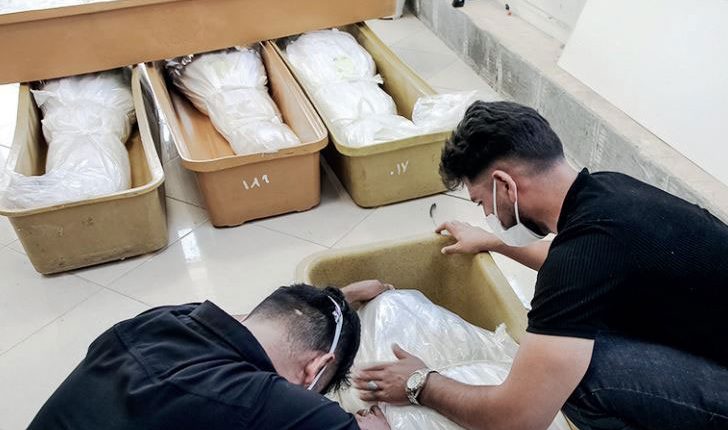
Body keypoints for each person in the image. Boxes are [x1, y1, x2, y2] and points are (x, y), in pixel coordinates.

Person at [353, 101, 728, 430]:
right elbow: (588, 264)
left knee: (577, 378)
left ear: (505, 185)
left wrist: (420, 384)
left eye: (482, 202)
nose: (487, 215)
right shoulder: (608, 190)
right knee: (588, 327)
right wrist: (497, 243)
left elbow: (517, 418)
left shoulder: (579, 259)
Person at [28, 281, 393, 430]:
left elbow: (259, 323)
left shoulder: (161, 319)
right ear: (315, 368)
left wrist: (338, 300)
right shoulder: (258, 399)